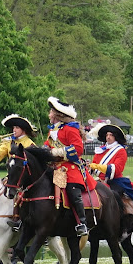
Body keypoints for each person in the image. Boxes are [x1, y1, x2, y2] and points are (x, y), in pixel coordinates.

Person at [0, 114, 38, 232]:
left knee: (19, 196)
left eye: (16, 128)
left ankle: (18, 220)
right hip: (11, 177)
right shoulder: (8, 142)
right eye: (13, 128)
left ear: (23, 129)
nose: (14, 130)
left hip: (23, 178)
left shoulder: (29, 144)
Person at [44, 96, 91, 236]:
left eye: (51, 112)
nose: (49, 115)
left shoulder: (70, 129)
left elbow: (78, 149)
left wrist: (57, 152)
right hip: (54, 167)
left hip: (70, 167)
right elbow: (47, 146)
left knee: (73, 192)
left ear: (57, 115)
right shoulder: (53, 131)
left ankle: (82, 222)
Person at [89, 124, 133, 203]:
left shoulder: (120, 150)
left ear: (116, 137)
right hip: (98, 180)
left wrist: (97, 166)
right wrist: (89, 167)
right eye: (107, 135)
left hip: (114, 181)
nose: (108, 137)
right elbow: (93, 165)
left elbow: (117, 169)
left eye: (111, 135)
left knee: (116, 198)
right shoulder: (100, 150)